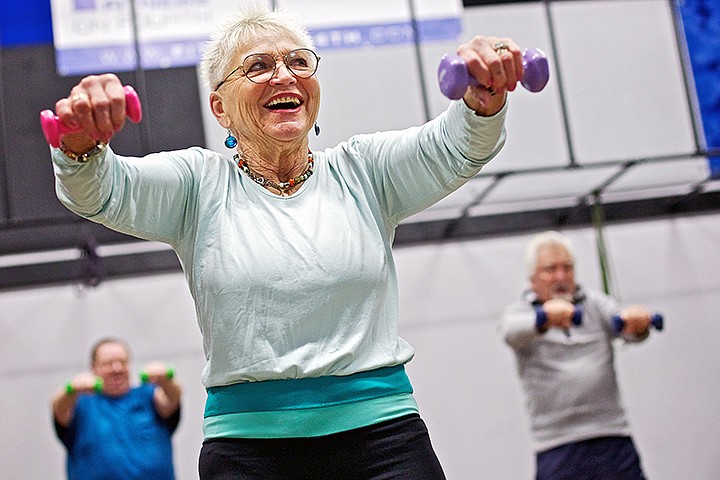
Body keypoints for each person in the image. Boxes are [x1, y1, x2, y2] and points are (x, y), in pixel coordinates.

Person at [49, 4, 526, 479]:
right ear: (220, 107)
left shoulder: (363, 171)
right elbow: (102, 190)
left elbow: (456, 145)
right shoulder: (197, 185)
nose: (285, 76)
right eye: (258, 67)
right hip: (248, 453)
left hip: (384, 442)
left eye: (299, 62)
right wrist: (80, 146)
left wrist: (481, 98)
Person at [499, 230, 657, 480]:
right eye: (551, 269)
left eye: (567, 268)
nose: (561, 276)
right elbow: (510, 332)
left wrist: (637, 323)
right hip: (556, 446)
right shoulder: (520, 312)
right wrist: (544, 318)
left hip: (612, 437)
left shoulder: (593, 303)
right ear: (532, 279)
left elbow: (624, 325)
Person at [51, 337, 182, 480]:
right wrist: (71, 389)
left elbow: (172, 399)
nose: (117, 368)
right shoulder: (82, 405)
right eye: (108, 364)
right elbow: (59, 408)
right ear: (94, 368)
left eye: (122, 362)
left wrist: (166, 379)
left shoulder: (147, 395)